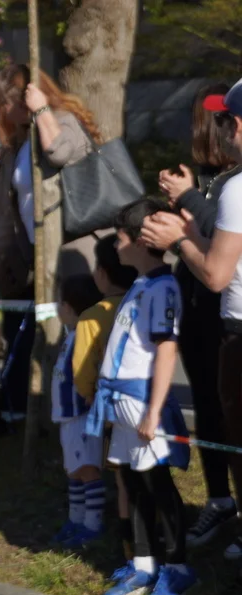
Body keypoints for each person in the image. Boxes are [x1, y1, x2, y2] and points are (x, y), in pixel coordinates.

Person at [140, 84, 242, 553]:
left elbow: (218, 263)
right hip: (203, 311)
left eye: (224, 121)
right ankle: (220, 501)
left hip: (226, 317)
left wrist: (184, 219)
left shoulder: (233, 185)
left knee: (230, 419)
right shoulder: (217, 180)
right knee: (211, 405)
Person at [90, 198, 193, 595]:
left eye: (120, 239)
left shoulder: (163, 287)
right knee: (133, 483)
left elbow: (166, 348)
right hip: (121, 402)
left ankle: (178, 566)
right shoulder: (140, 284)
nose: (116, 246)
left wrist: (153, 411)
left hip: (141, 401)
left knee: (157, 484)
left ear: (139, 240)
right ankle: (144, 563)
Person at [0, 64, 103, 417]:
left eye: (3, 104)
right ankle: (52, 413)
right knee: (51, 338)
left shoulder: (61, 121)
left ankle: (85, 414)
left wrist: (42, 110)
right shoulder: (25, 138)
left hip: (74, 253)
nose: (0, 113)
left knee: (78, 336)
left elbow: (60, 152)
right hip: (44, 257)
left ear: (21, 100)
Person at [67, 236, 138, 555]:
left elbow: (82, 370)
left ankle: (131, 546)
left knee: (122, 479)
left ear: (102, 273)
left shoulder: (91, 317)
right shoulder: (139, 303)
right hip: (143, 404)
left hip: (107, 410)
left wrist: (87, 395)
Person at [50, 275, 106, 547]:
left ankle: (93, 524)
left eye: (59, 302)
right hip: (67, 419)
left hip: (81, 417)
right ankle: (76, 519)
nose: (57, 307)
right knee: (73, 470)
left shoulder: (82, 338)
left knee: (87, 469)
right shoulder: (70, 335)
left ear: (69, 307)